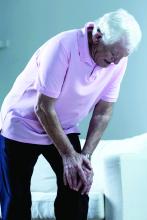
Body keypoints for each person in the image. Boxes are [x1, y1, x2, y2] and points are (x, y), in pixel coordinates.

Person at [0, 8, 142, 220]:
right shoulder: (63, 46)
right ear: (97, 37)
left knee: (77, 189)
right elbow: (43, 108)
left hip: (63, 126)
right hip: (22, 124)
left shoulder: (118, 60)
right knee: (16, 201)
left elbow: (103, 112)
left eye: (122, 57)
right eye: (113, 54)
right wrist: (68, 155)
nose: (116, 62)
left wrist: (84, 156)